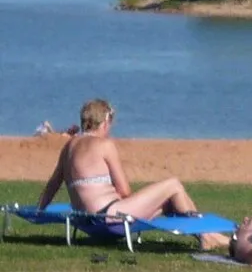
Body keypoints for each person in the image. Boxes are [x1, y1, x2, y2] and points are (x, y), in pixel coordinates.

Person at [35, 99, 228, 251]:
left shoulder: (69, 146)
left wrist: (38, 211)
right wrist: (130, 200)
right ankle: (206, 236)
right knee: (173, 185)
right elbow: (125, 191)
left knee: (169, 201)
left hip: (87, 221)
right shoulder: (104, 145)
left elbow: (53, 185)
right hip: (109, 218)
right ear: (105, 122)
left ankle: (208, 236)